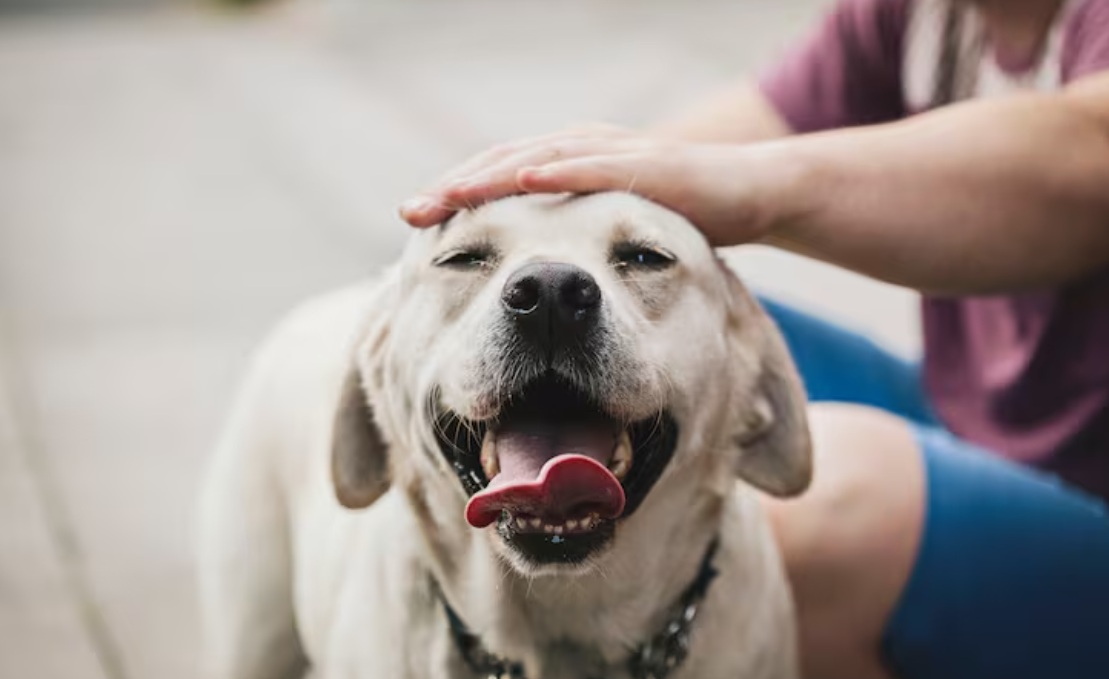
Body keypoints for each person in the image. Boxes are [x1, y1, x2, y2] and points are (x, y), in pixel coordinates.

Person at [399, 0, 1109, 677]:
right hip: (973, 419)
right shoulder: (917, 16)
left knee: (831, 504)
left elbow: (1091, 147)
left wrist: (753, 186)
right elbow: (659, 165)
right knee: (679, 320)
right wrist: (480, 269)